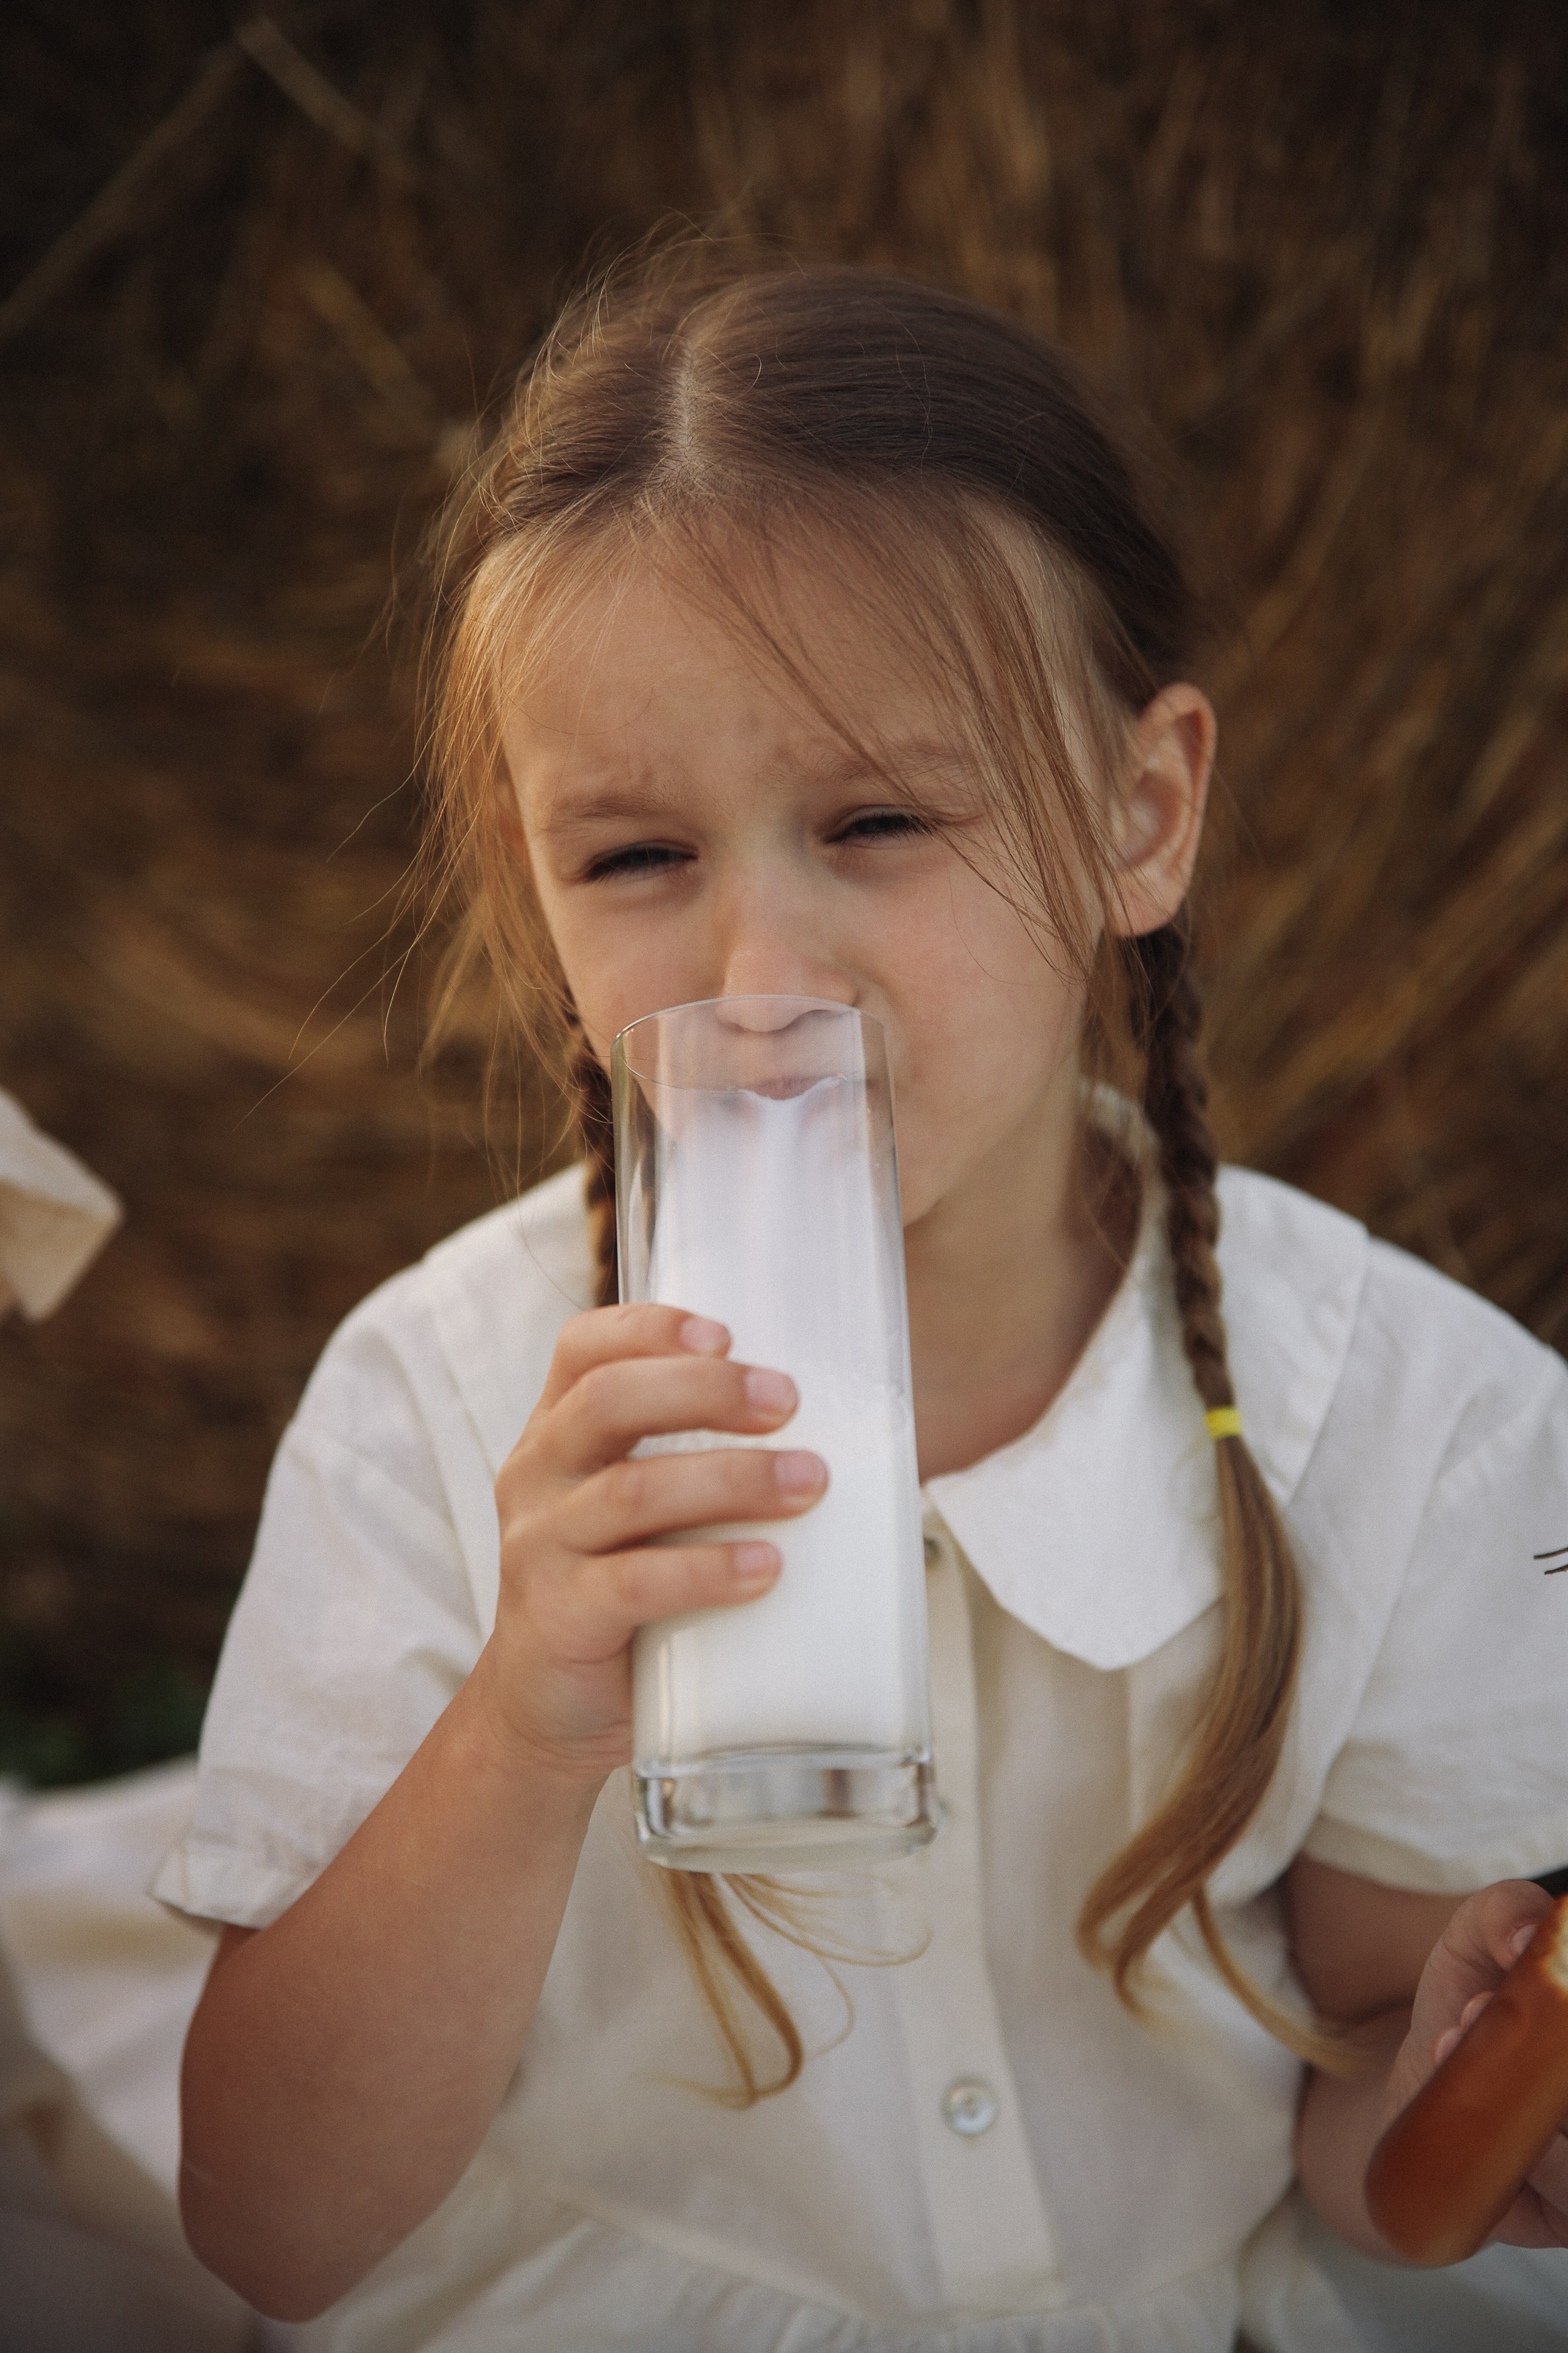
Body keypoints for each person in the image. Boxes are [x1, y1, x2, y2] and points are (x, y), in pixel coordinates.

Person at [159, 253, 1568, 2351]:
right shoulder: (442, 1406)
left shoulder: (1394, 1410)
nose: (759, 976)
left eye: (880, 819)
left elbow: (1361, 2113)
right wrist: (527, 1714)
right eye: (636, 859)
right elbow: (270, 2221)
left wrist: (1475, 2103)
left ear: (1140, 814)